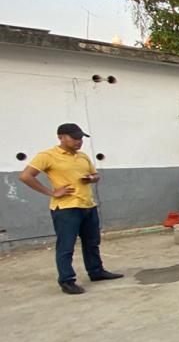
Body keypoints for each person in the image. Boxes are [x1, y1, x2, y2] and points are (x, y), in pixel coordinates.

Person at [19, 123, 124, 294]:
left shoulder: (82, 156)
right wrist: (52, 192)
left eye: (80, 138)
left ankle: (96, 271)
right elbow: (25, 176)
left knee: (92, 243)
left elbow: (96, 175)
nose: (79, 141)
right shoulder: (47, 156)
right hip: (66, 209)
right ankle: (67, 280)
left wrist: (91, 178)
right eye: (74, 138)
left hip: (88, 205)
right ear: (61, 137)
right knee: (66, 246)